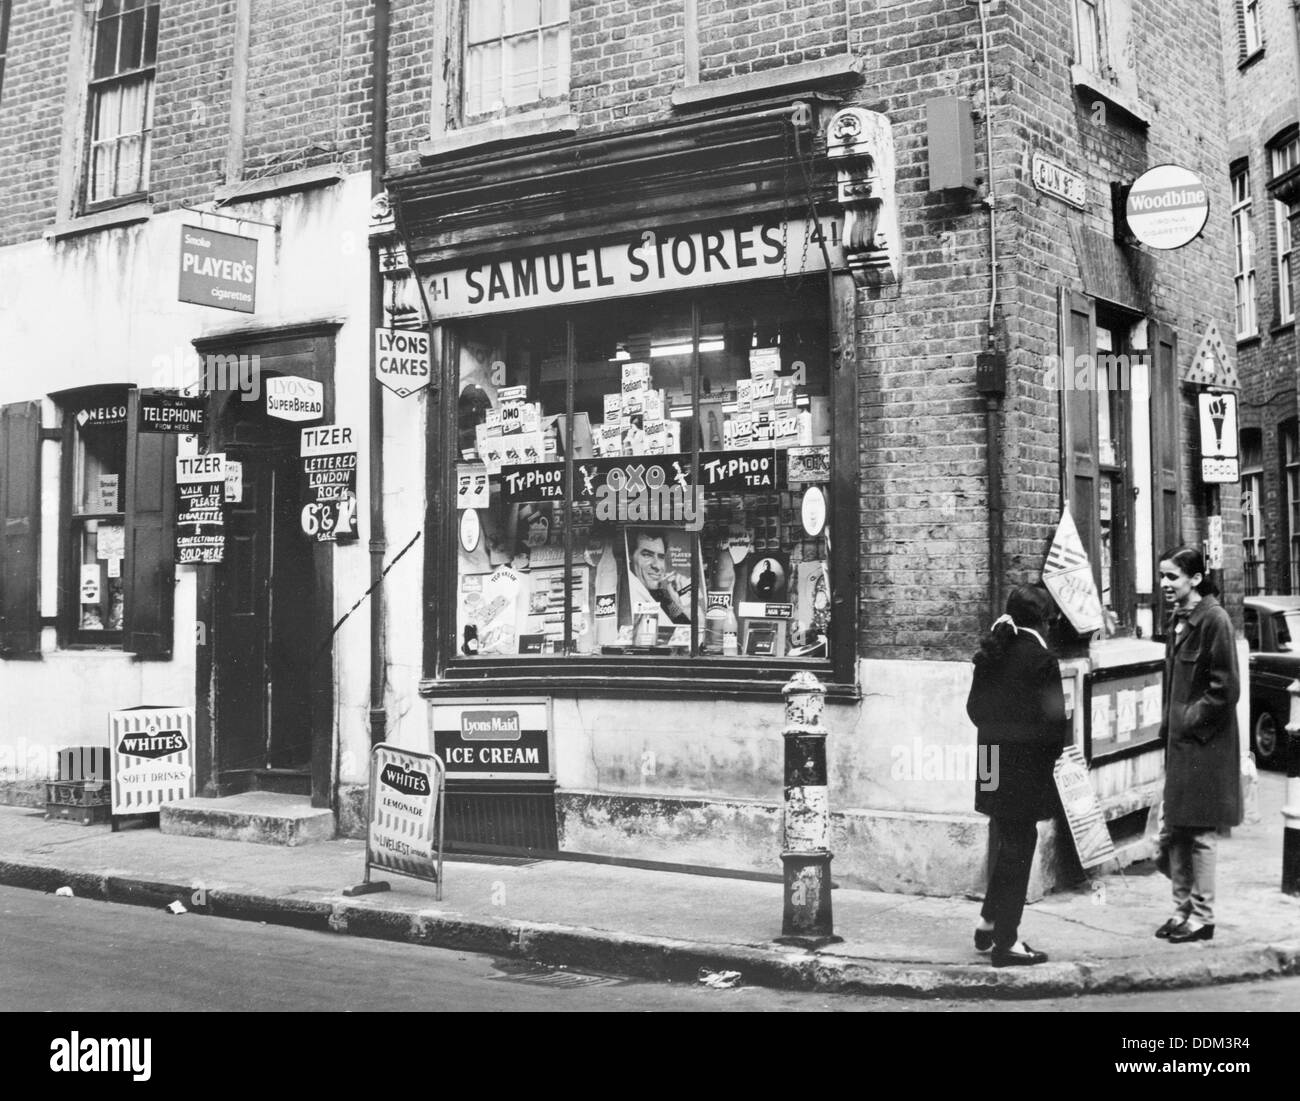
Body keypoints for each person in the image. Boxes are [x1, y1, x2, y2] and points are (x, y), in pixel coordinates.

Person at [965, 585, 1069, 967]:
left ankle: (989, 920)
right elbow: (1056, 726)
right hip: (1022, 768)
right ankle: (1006, 942)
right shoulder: (1043, 659)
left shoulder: (992, 651)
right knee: (1020, 845)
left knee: (1006, 838)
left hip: (990, 761)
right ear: (1044, 618)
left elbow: (974, 709)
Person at [1154, 547, 1242, 943]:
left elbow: (1226, 689)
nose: (1164, 585)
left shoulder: (1214, 620)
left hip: (1204, 747)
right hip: (1179, 746)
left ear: (1194, 578)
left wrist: (1188, 720)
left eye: (1172, 577)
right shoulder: (1179, 619)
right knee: (1177, 830)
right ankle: (1181, 910)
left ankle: (1203, 916)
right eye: (1162, 577)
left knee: (1201, 832)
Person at [627, 529, 691, 624]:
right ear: (630, 556)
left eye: (661, 557)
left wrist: (679, 604)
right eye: (647, 555)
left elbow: (684, 625)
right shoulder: (630, 593)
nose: (657, 566)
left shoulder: (660, 594)